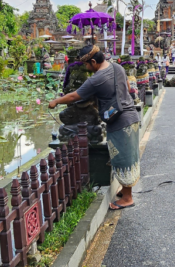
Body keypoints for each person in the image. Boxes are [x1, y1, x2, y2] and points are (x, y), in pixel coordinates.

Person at [47, 45, 142, 209]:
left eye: (86, 64)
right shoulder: (117, 67)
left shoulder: (96, 79)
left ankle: (127, 198)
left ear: (93, 61)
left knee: (122, 158)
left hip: (119, 121)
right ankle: (125, 190)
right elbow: (127, 87)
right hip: (131, 116)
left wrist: (55, 101)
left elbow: (74, 95)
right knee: (129, 154)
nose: (86, 68)